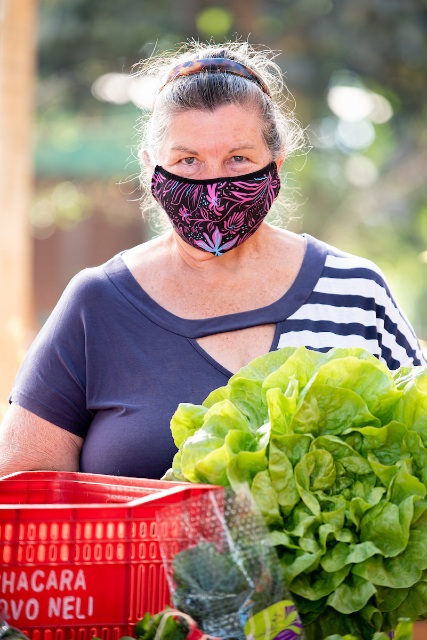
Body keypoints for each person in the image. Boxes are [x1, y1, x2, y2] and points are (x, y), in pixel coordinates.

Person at [0, 41, 425, 480]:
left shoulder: (355, 292)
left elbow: (418, 452)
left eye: (239, 159)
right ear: (151, 169)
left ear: (276, 164)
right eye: (188, 161)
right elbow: (24, 483)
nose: (215, 184)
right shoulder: (99, 304)